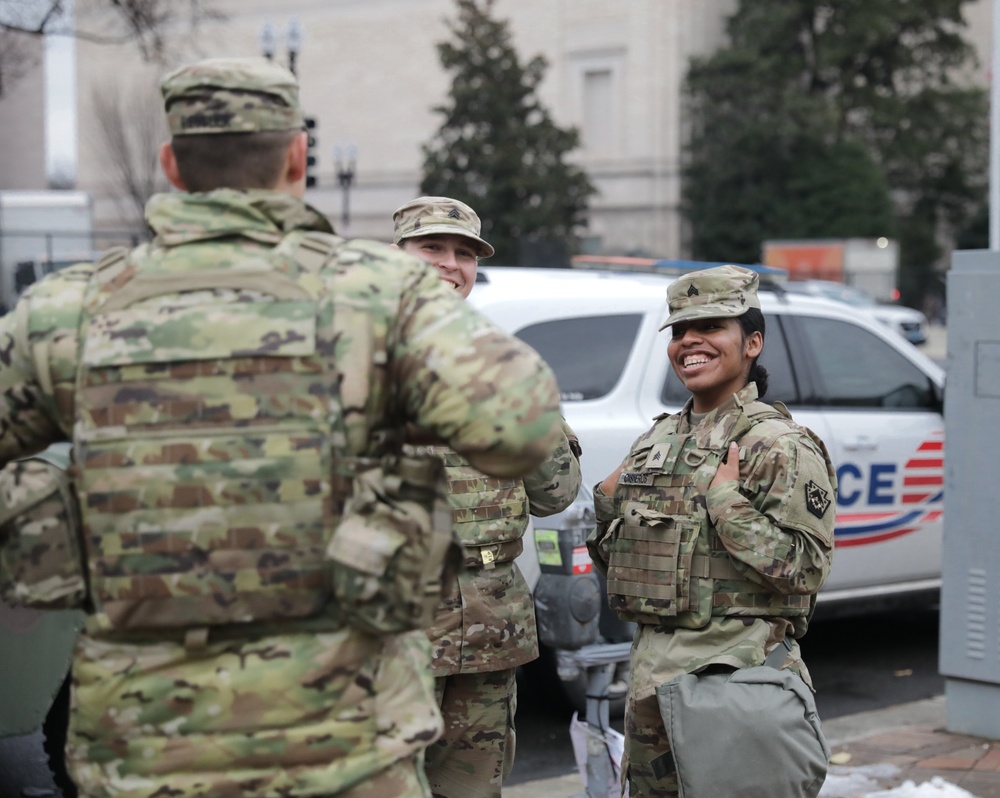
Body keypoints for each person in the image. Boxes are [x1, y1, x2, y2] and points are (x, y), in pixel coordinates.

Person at [0, 57, 566, 798]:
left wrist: (63, 508)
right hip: (341, 733)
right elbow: (523, 427)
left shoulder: (69, 310)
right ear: (297, 157)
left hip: (145, 739)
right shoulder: (375, 296)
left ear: (170, 163)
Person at [587, 265, 836, 798]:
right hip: (653, 676)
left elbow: (805, 570)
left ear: (752, 343)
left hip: (732, 680)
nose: (689, 342)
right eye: (679, 331)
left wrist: (726, 504)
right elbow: (621, 557)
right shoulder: (660, 439)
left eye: (711, 326)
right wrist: (606, 504)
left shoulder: (777, 444)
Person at [392, 196, 582, 798]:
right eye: (433, 248)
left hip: (489, 621)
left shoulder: (505, 363)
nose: (451, 264)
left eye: (464, 253)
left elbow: (556, 492)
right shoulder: (354, 360)